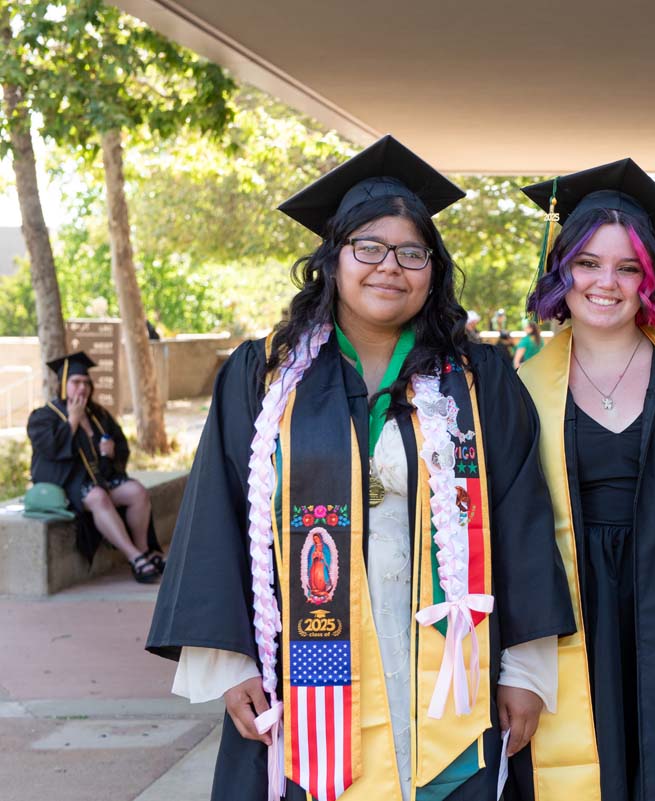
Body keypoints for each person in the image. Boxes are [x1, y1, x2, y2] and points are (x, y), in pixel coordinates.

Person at [146, 135, 575, 801]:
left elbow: (519, 519)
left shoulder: (478, 380)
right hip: (309, 667)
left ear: (433, 269)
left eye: (411, 252)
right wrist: (230, 661)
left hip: (447, 670)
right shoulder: (265, 380)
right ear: (333, 260)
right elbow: (216, 513)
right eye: (368, 248)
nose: (389, 267)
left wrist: (523, 666)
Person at [516, 159, 655, 801]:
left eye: (628, 267)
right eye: (588, 263)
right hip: (574, 601)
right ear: (562, 269)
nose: (607, 282)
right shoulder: (521, 384)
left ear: (648, 280)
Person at [26, 351, 162, 582]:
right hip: (65, 484)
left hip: (101, 478)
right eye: (76, 382)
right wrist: (73, 421)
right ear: (63, 384)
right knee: (98, 496)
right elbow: (50, 450)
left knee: (137, 491)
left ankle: (143, 550)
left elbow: (120, 446)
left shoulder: (98, 415)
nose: (82, 388)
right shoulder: (44, 417)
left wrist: (109, 454)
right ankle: (134, 558)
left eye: (86, 383)